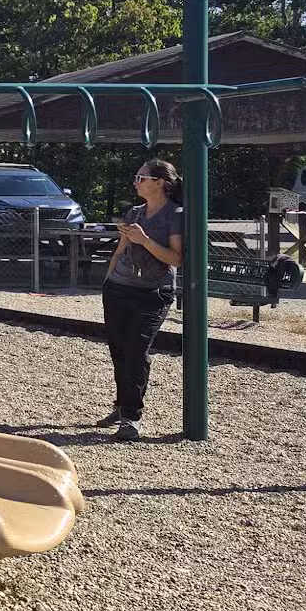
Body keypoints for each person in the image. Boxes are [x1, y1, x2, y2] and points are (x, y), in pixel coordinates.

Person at [101, 159, 185, 441]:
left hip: (153, 292)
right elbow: (121, 249)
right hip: (118, 287)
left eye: (141, 177)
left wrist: (145, 240)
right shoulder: (134, 212)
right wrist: (108, 279)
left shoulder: (175, 215)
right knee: (119, 351)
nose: (135, 182)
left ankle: (132, 417)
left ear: (159, 183)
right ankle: (121, 406)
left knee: (137, 351)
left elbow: (176, 259)